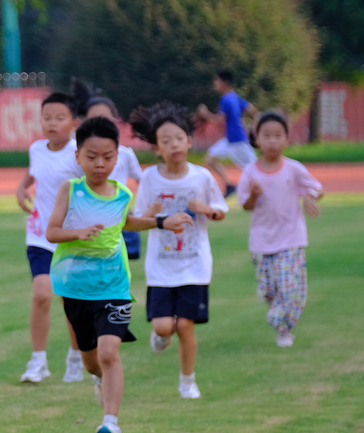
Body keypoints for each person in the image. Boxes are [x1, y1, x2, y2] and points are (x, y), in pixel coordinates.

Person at [46, 116, 192, 433]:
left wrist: (161, 222)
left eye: (108, 157)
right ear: (78, 157)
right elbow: (51, 232)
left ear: (117, 157)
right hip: (75, 288)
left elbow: (126, 222)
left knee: (110, 351)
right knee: (91, 360)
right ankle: (97, 379)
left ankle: (110, 423)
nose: (100, 164)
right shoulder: (71, 190)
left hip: (113, 286)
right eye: (92, 156)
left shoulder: (123, 193)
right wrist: (76, 233)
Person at [129, 102, 228, 399]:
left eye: (179, 137)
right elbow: (137, 219)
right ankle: (161, 338)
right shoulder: (149, 178)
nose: (174, 144)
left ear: (188, 140)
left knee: (185, 325)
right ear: (157, 148)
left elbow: (221, 211)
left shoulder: (201, 176)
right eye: (166, 140)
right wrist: (154, 213)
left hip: (194, 265)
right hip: (161, 267)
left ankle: (188, 381)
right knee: (163, 327)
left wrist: (206, 209)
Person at [15, 90, 85, 384]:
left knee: (70, 300)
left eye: (59, 118)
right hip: (40, 235)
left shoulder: (79, 154)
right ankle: (38, 361)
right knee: (42, 294)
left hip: (70, 237)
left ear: (74, 123)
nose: (52, 123)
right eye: (46, 117)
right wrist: (22, 188)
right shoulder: (36, 149)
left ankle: (76, 356)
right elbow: (34, 174)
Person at [239, 110, 324, 347]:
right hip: (261, 241)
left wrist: (310, 195)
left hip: (291, 238)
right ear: (257, 138)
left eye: (278, 135)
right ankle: (281, 322)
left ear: (287, 138)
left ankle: (281, 326)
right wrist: (254, 196)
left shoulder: (294, 169)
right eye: (267, 135)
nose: (273, 141)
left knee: (288, 289)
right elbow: (245, 206)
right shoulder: (250, 172)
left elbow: (317, 188)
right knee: (269, 291)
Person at [80, 88, 145, 260]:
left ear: (115, 121)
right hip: (90, 217)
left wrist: (145, 209)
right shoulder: (78, 155)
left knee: (122, 265)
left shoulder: (125, 154)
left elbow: (143, 181)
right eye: (94, 119)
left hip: (121, 215)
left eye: (106, 119)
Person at [196, 69, 258, 197]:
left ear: (224, 82)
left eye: (217, 81)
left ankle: (266, 188)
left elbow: (220, 119)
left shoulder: (226, 99)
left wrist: (205, 113)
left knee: (253, 169)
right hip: (230, 139)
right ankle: (229, 185)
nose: (215, 83)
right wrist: (256, 121)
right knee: (210, 158)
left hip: (237, 140)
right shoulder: (235, 97)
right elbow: (251, 109)